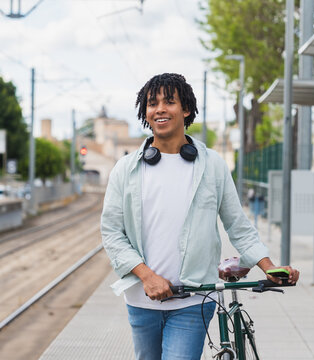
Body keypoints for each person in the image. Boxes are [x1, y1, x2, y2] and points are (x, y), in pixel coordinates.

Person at [100, 73, 299, 360]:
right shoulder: (125, 169)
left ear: (186, 110)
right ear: (145, 112)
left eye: (169, 101)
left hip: (194, 300)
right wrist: (147, 276)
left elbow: (238, 225)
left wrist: (269, 268)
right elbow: (112, 232)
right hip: (141, 300)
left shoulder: (213, 166)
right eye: (152, 103)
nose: (159, 109)